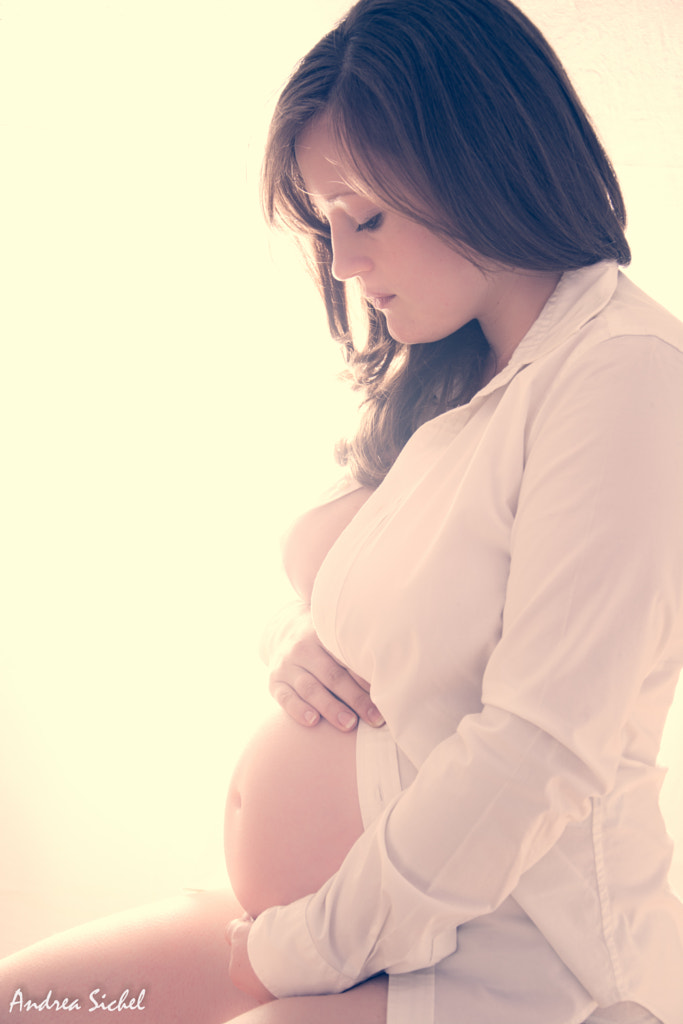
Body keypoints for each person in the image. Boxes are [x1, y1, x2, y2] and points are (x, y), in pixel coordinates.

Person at [1, 0, 682, 1021]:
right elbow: (337, 571)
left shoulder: (620, 377)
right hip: (329, 919)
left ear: (479, 168)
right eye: (326, 224)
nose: (341, 263)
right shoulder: (445, 370)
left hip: (498, 956)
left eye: (363, 216)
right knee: (26, 1002)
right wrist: (294, 641)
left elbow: (538, 750)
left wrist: (280, 956)